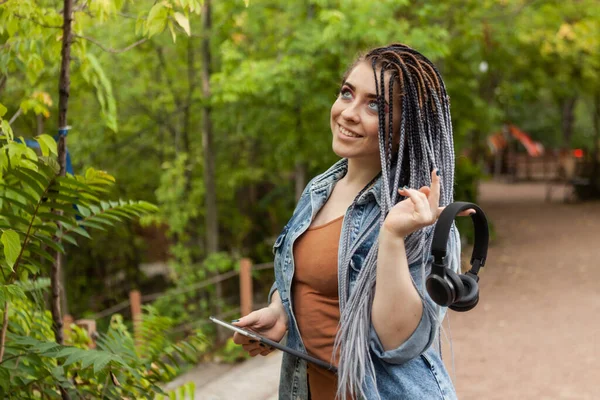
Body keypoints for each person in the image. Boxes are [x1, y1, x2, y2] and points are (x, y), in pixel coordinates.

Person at [232, 43, 471, 399]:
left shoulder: (419, 216)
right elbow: (308, 273)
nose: (348, 113)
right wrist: (280, 311)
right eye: (347, 94)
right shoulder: (320, 189)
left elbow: (399, 343)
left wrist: (391, 235)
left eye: (375, 105)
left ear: (406, 126)